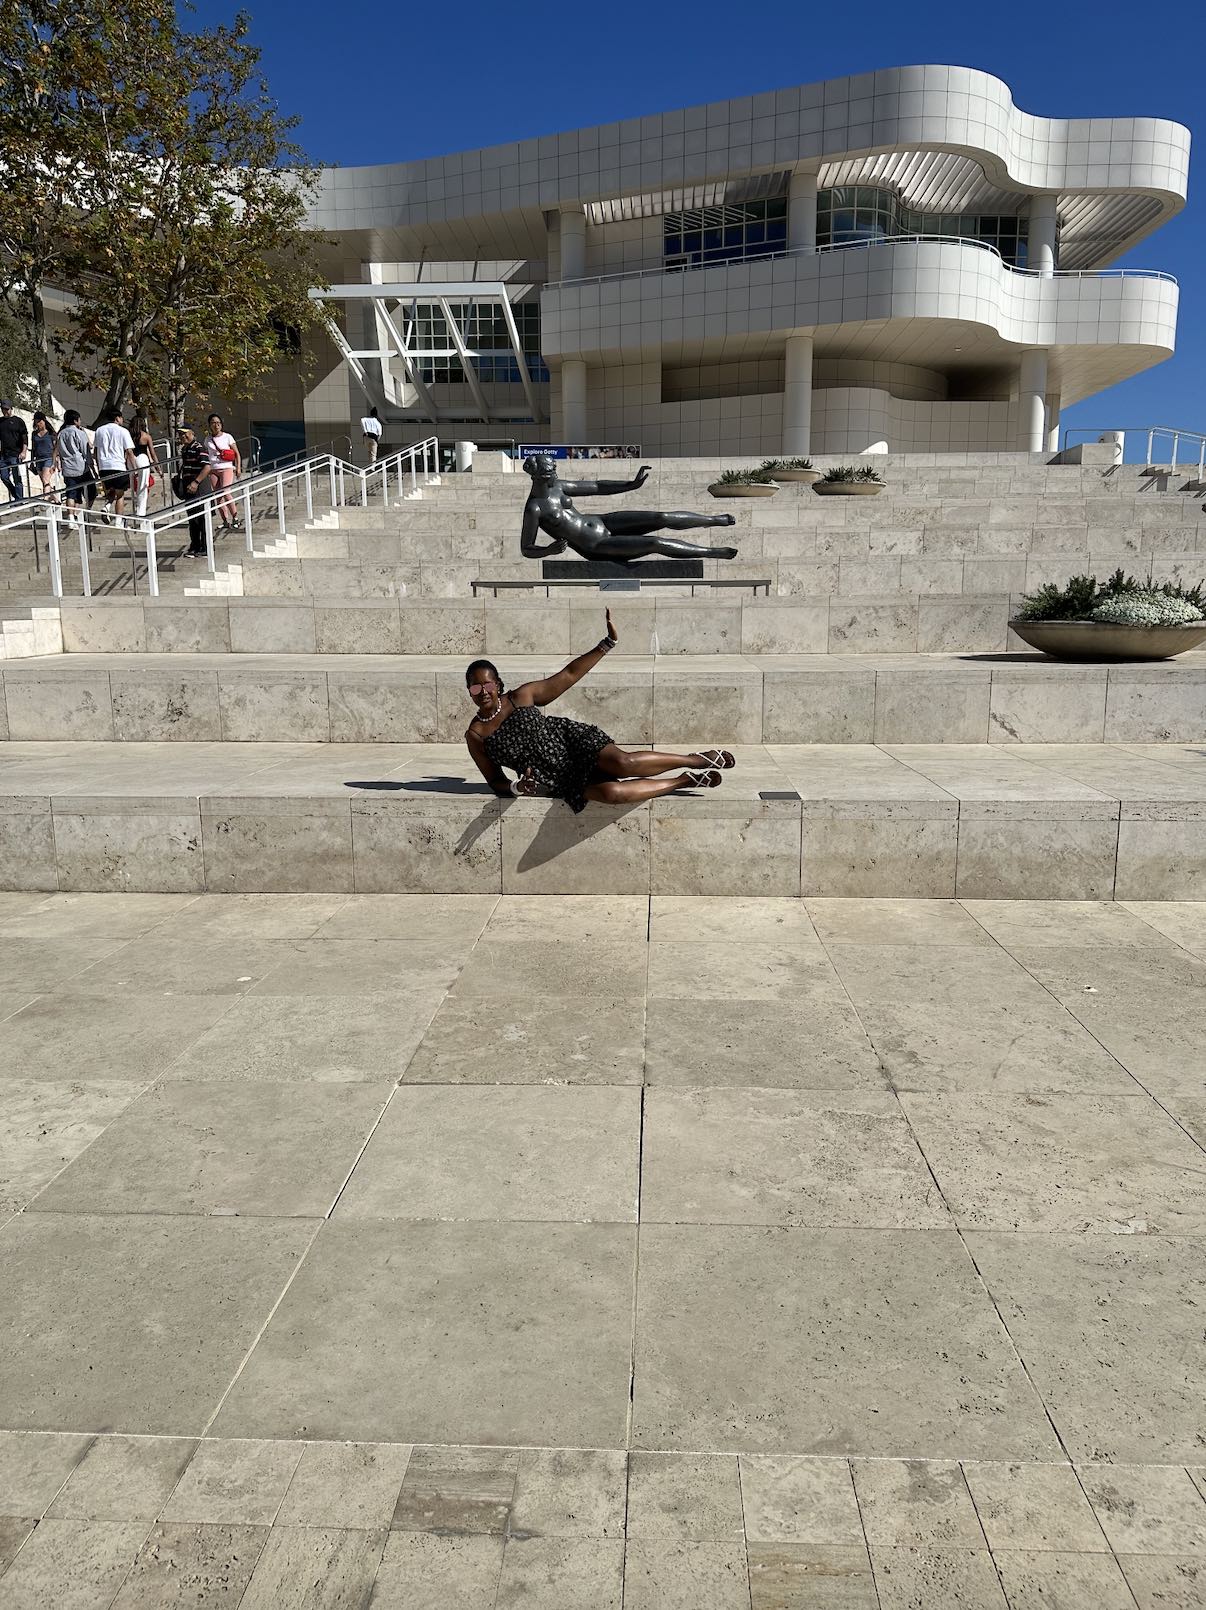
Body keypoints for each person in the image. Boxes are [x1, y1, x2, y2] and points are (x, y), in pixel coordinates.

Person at [464, 611, 735, 811]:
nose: (483, 691)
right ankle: (683, 781)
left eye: (487, 684)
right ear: (470, 692)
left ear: (498, 684)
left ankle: (694, 760)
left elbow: (568, 675)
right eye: (475, 688)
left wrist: (606, 644)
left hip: (571, 742)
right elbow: (495, 781)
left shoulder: (520, 696)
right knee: (612, 793)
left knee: (624, 763)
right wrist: (518, 787)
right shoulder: (476, 735)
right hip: (555, 776)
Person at [520, 452, 739, 564]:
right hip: (596, 544)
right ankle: (712, 552)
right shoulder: (535, 508)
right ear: (537, 475)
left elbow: (597, 487)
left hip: (603, 521)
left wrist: (630, 485)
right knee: (656, 543)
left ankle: (712, 520)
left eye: (555, 470)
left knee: (661, 517)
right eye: (550, 472)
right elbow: (526, 548)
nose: (555, 475)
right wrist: (549, 550)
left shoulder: (558, 486)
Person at [172, 426, 212, 556]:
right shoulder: (185, 449)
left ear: (192, 434)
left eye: (185, 434)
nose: (183, 437)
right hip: (189, 487)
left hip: (200, 488)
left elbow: (207, 467)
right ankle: (195, 545)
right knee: (193, 518)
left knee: (202, 518)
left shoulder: (199, 448)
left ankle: (205, 547)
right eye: (180, 435)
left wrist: (196, 482)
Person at [93, 409, 137, 524]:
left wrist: (98, 467)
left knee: (110, 492)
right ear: (117, 418)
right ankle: (118, 521)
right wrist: (136, 468)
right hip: (118, 466)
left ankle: (106, 507)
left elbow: (95, 451)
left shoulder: (99, 431)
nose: (122, 420)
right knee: (120, 494)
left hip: (104, 467)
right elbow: (129, 452)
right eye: (121, 418)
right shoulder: (123, 431)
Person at [203, 413, 241, 532]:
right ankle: (225, 521)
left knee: (225, 491)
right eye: (213, 423)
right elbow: (206, 453)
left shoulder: (227, 437)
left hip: (226, 467)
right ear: (209, 425)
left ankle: (235, 518)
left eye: (218, 423)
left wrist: (238, 467)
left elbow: (236, 453)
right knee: (217, 496)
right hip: (213, 468)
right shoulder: (208, 439)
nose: (216, 425)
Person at [55, 411, 96, 513]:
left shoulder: (61, 433)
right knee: (91, 491)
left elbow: (58, 449)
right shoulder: (79, 433)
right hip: (81, 467)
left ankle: (71, 517)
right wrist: (92, 467)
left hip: (67, 467)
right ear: (75, 420)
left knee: (71, 494)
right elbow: (85, 450)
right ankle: (88, 510)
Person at [128, 412, 160, 519]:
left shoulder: (129, 435)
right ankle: (141, 512)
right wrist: (158, 468)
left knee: (133, 486)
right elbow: (153, 453)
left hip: (130, 460)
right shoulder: (146, 437)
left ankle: (135, 506)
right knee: (143, 486)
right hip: (142, 459)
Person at [0, 402, 28, 502]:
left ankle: (19, 499)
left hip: (15, 453)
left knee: (17, 477)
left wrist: (24, 451)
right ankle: (16, 496)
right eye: (3, 409)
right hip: (3, 454)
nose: (5, 411)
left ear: (11, 409)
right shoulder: (0, 422)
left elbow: (24, 437)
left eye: (7, 409)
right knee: (4, 477)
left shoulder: (18, 421)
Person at [30, 412, 58, 501]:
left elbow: (56, 448)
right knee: (45, 482)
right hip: (38, 459)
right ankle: (56, 499)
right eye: (36, 422)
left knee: (45, 479)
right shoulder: (34, 434)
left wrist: (56, 462)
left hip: (49, 458)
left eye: (39, 421)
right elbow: (33, 448)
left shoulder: (51, 433)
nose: (38, 424)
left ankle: (45, 500)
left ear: (44, 421)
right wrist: (31, 461)